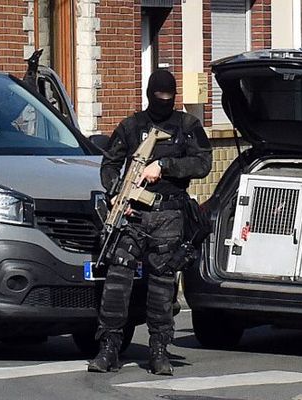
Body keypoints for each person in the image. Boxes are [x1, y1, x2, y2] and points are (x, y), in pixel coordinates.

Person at [88, 70, 212, 375]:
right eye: (159, 98)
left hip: (168, 214)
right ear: (148, 95)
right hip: (132, 215)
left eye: (169, 99)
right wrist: (118, 193)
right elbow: (110, 164)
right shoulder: (131, 127)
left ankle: (159, 349)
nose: (163, 103)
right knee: (117, 280)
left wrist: (165, 166)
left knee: (162, 284)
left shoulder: (187, 126)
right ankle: (109, 347)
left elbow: (203, 163)